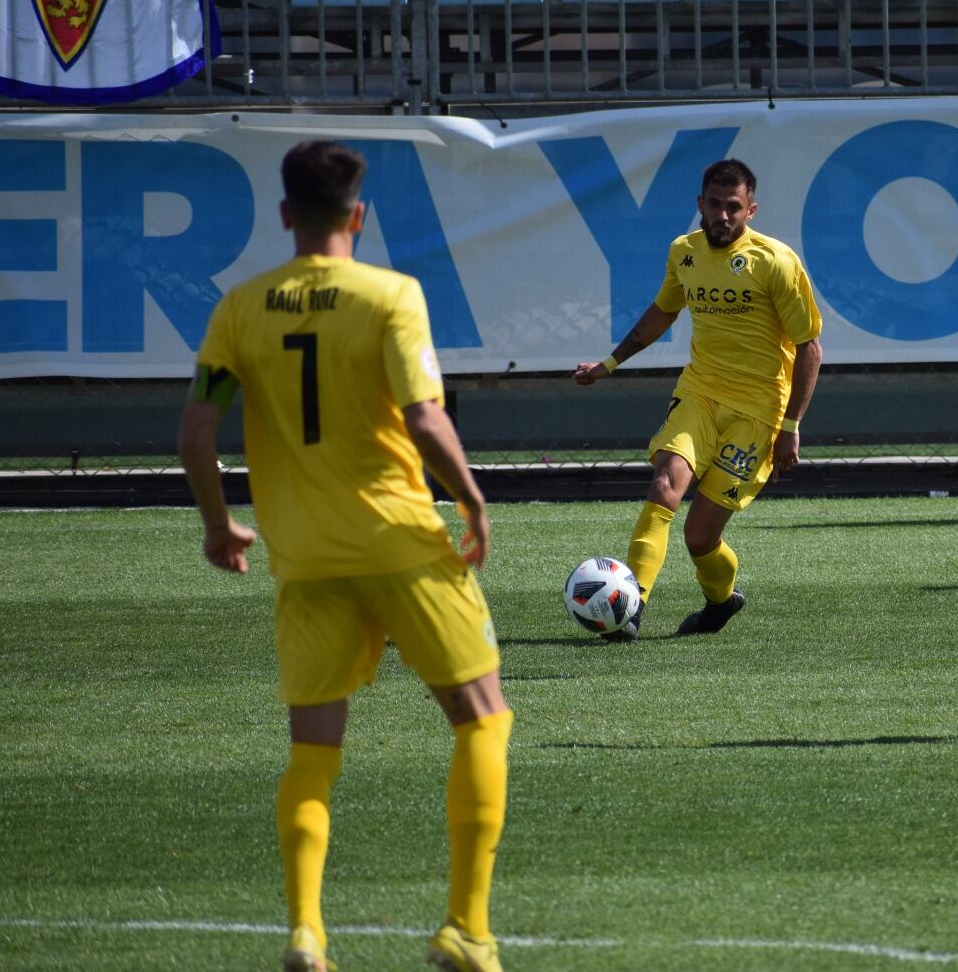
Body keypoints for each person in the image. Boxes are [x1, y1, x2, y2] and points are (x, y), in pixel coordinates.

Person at [177, 141, 512, 972]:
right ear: (357, 216)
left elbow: (195, 432)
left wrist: (220, 527)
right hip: (399, 540)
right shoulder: (390, 295)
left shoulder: (242, 309)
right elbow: (427, 420)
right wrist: (471, 499)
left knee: (313, 751)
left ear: (286, 214)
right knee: (481, 714)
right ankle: (466, 930)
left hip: (305, 556)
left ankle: (306, 933)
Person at [572, 158, 823, 639]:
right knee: (666, 483)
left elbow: (810, 347)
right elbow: (663, 311)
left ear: (751, 209)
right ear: (699, 205)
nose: (723, 216)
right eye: (714, 205)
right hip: (700, 393)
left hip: (758, 411)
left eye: (734, 207)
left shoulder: (776, 262)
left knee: (700, 535)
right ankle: (632, 606)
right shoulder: (683, 252)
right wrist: (609, 363)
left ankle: (721, 603)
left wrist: (791, 426)